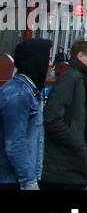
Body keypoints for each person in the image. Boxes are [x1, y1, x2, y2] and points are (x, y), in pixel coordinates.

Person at [41, 39, 87, 190]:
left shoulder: (77, 77)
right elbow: (52, 117)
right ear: (81, 56)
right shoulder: (72, 78)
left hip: (67, 166)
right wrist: (77, 144)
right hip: (64, 167)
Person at [0, 39, 52, 190]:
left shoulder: (27, 91)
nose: (49, 64)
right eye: (47, 59)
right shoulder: (20, 94)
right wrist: (29, 182)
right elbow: (15, 142)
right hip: (11, 180)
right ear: (36, 60)